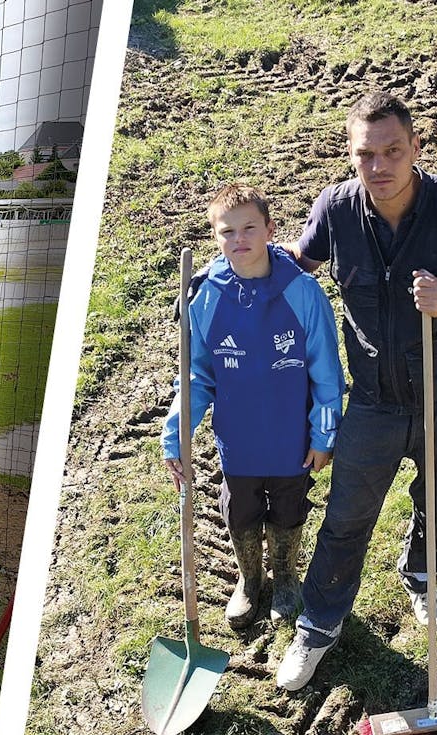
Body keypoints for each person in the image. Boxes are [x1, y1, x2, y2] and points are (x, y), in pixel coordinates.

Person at [274, 92, 437, 691]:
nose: (380, 166)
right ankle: (318, 623)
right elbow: (299, 263)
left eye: (392, 151)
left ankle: (421, 576)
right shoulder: (335, 210)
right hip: (373, 403)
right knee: (346, 517)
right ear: (352, 157)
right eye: (366, 155)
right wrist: (237, 262)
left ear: (416, 146)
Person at [161, 183, 343, 630]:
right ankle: (249, 580)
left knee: (288, 508)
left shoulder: (302, 293)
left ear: (270, 229)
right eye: (226, 232)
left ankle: (285, 578)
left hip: (291, 441)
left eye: (248, 228)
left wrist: (324, 435)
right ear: (215, 238)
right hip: (238, 442)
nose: (238, 240)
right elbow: (196, 377)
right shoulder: (204, 296)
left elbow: (327, 375)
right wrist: (176, 434)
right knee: (240, 509)